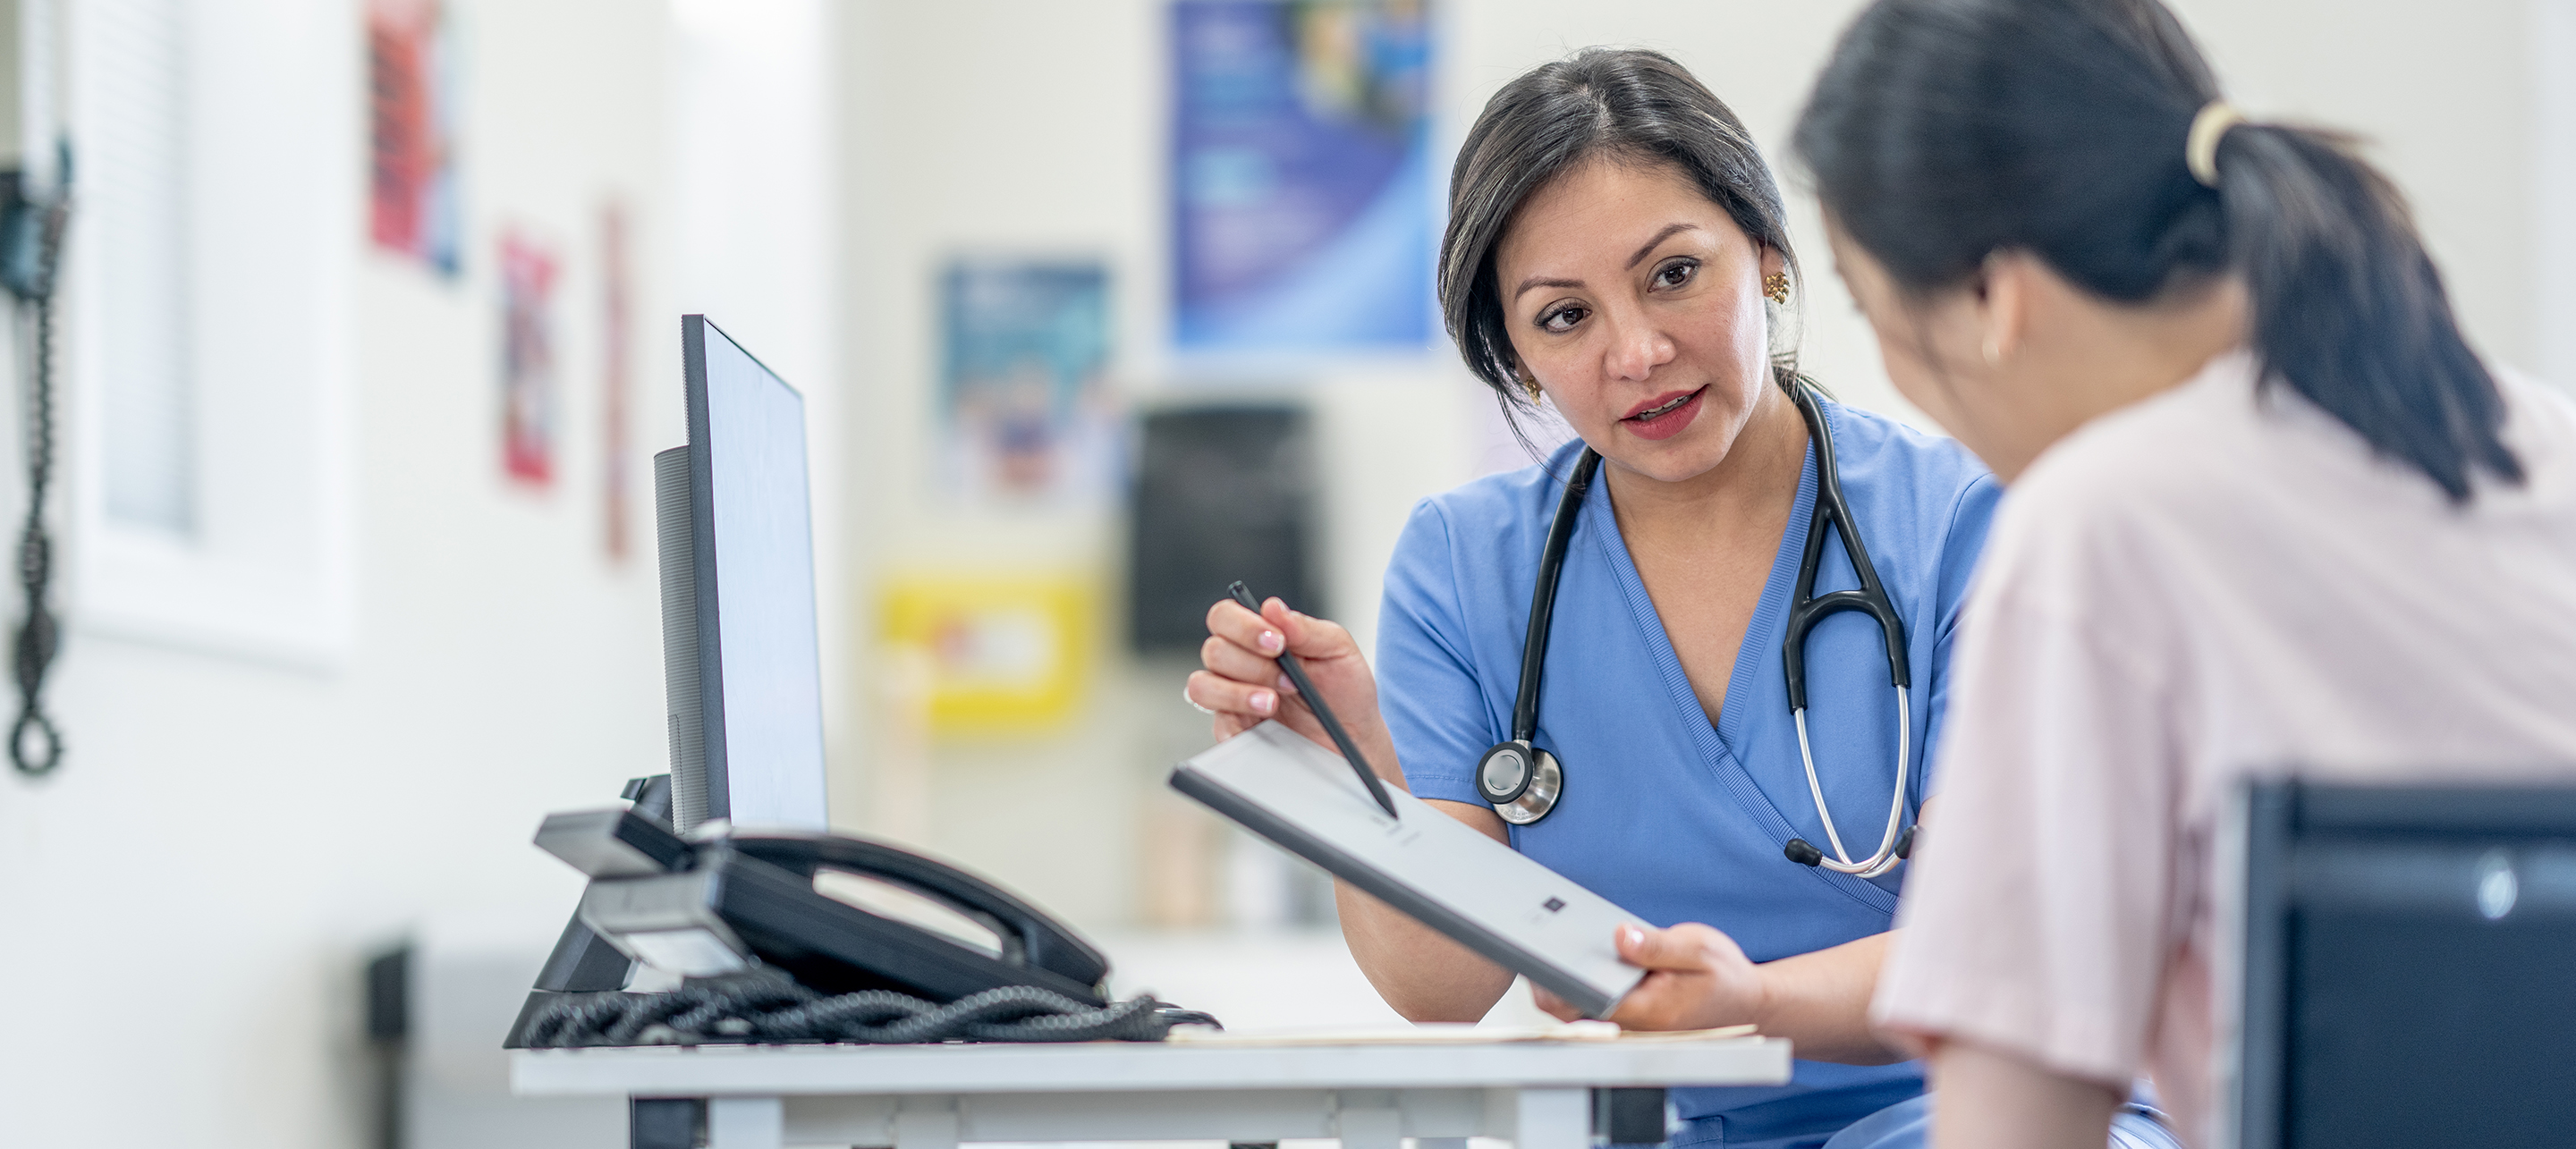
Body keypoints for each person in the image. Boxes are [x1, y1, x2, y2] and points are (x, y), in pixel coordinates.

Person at [1186, 48, 2156, 1149]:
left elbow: (1998, 953)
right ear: (1515, 355)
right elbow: (1442, 988)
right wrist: (1349, 776)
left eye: (1674, 275)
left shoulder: (1965, 525)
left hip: (1981, 1113)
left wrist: (1756, 1003)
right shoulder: (1464, 566)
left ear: (1770, 260)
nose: (1637, 352)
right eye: (1564, 318)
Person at [1788, 1, 2576, 1146]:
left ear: (1991, 301)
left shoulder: (2098, 531)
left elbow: (2019, 1126)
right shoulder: (2537, 442)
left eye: (1874, 311)